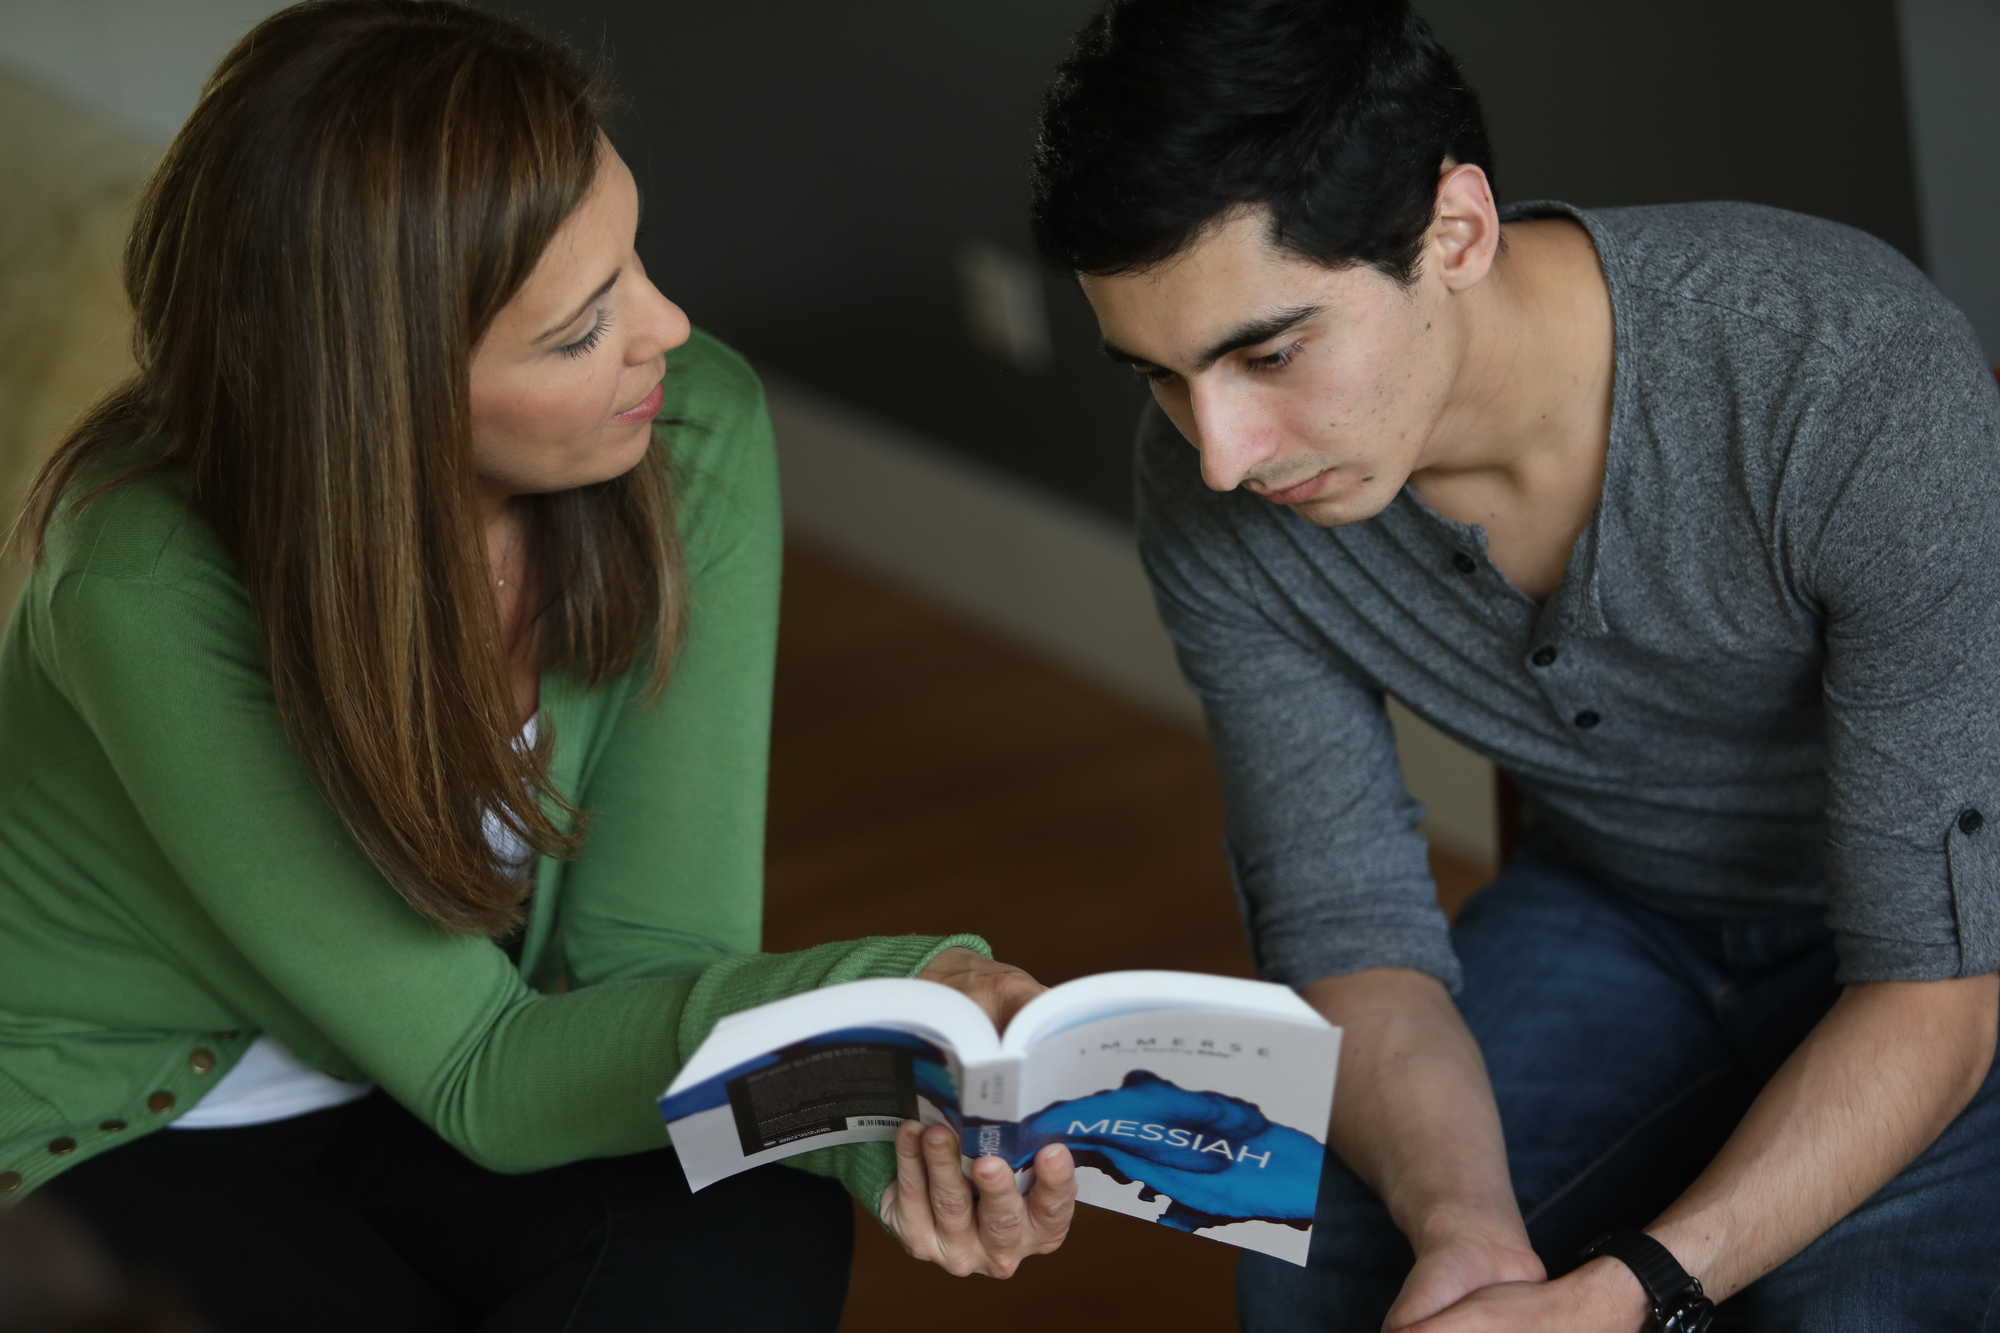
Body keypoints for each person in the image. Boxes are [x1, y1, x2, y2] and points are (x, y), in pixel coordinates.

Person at [0, 3, 1073, 1328]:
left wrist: (887, 1106)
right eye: (579, 330)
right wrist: (881, 993)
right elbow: (483, 1072)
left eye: (634, 259)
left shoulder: (692, 432)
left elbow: (652, 959)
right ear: (377, 397)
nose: (667, 327)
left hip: (472, 1058)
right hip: (143, 1115)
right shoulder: (147, 581)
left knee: (754, 1209)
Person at [1029, 1, 2000, 1329]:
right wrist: (1467, 1232)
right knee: (1331, 1280)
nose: (1222, 452)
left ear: (1458, 232)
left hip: (1952, 964)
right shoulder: (1209, 498)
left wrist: (1634, 1287)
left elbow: (1934, 994)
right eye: (1161, 375)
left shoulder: (1843, 381)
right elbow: (1347, 926)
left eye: (1270, 351)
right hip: (1624, 906)